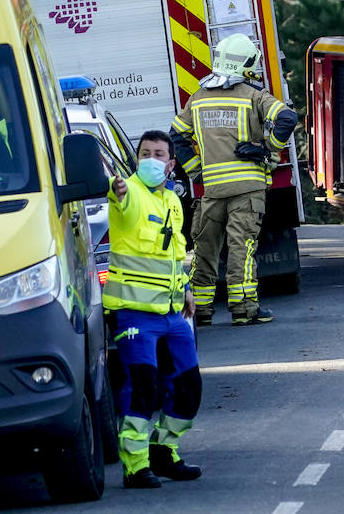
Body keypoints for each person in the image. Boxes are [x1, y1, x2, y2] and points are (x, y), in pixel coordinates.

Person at [171, 33, 298, 326]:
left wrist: (196, 170)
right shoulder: (254, 95)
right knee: (242, 246)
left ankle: (199, 311)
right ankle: (243, 309)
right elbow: (287, 119)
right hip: (247, 189)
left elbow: (176, 135)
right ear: (246, 64)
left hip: (212, 190)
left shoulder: (198, 98)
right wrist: (266, 148)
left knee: (205, 249)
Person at [104, 130, 202, 488]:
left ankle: (164, 453)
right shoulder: (128, 193)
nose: (150, 159)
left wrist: (188, 289)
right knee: (145, 388)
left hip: (174, 315)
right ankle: (135, 465)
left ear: (171, 164)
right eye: (144, 153)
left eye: (158, 154)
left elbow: (175, 254)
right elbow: (119, 200)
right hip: (134, 314)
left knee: (189, 389)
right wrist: (116, 192)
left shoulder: (174, 202)